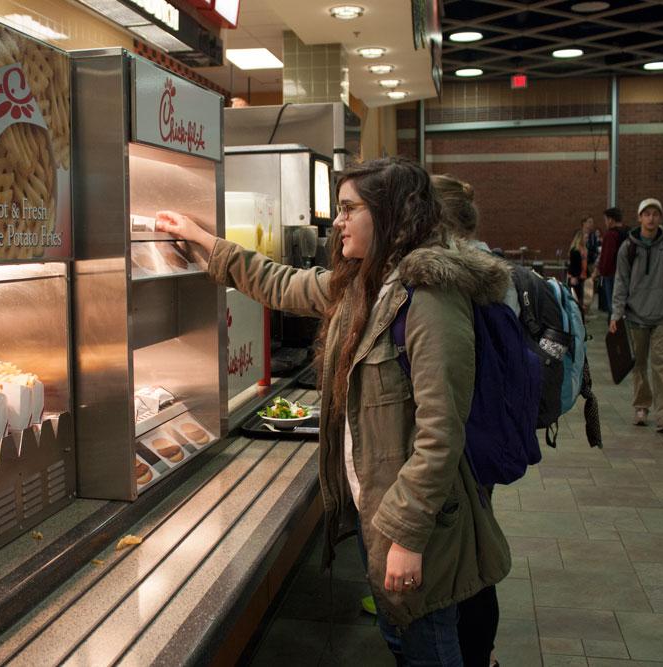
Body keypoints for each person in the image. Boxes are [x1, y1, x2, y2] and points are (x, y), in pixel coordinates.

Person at [156, 158, 511, 665]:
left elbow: (440, 434)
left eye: (348, 209)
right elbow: (278, 282)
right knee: (402, 641)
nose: (337, 222)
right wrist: (204, 241)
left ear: (390, 215)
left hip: (414, 524)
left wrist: (408, 537)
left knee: (428, 647)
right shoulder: (365, 286)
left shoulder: (430, 299)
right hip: (378, 510)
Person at [431, 174, 505, 667]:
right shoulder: (488, 264)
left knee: (467, 558)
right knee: (475, 546)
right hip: (485, 432)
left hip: (468, 438)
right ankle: (482, 654)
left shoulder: (457, 273)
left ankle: (475, 656)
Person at [609, 198, 663, 433]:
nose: (651, 218)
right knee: (639, 364)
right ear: (640, 217)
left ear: (660, 218)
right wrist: (616, 313)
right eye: (647, 214)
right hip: (635, 316)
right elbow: (620, 282)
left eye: (655, 214)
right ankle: (641, 406)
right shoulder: (628, 248)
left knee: (661, 366)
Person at [596, 207, 627, 318]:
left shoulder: (610, 235)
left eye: (605, 220)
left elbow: (607, 256)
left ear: (610, 220)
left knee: (612, 306)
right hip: (624, 273)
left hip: (611, 274)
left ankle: (614, 328)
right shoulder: (626, 232)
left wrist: (601, 271)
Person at [567, 217, 593, 313]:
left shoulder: (584, 250)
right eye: (585, 238)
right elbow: (573, 265)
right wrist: (573, 276)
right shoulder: (575, 251)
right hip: (576, 276)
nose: (587, 239)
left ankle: (582, 313)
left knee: (583, 297)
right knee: (576, 296)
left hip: (583, 276)